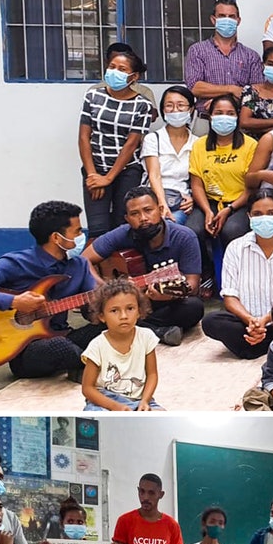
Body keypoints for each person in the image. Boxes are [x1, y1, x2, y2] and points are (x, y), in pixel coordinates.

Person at [0, 200, 99, 378]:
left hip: (63, 333)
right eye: (77, 231)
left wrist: (111, 303)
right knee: (60, 347)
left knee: (121, 327)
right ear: (56, 238)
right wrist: (14, 301)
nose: (81, 235)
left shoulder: (79, 265)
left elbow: (97, 303)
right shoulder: (16, 263)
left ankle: (83, 365)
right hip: (28, 351)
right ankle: (91, 365)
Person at [201, 190, 273, 359]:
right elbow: (230, 297)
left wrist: (266, 320)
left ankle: (254, 347)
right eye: (257, 214)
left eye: (271, 213)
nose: (264, 218)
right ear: (249, 217)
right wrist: (251, 321)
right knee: (211, 321)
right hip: (247, 323)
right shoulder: (236, 248)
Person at [85, 186, 205, 344]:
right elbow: (83, 259)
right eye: (135, 214)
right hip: (128, 305)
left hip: (163, 302)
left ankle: (130, 328)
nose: (143, 218)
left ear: (160, 209)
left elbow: (192, 285)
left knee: (193, 307)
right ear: (127, 218)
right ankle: (156, 331)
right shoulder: (124, 232)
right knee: (89, 305)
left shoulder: (184, 237)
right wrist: (107, 288)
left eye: (148, 210)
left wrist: (166, 295)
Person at [79, 46, 157, 237]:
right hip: (95, 168)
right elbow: (83, 136)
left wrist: (108, 178)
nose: (114, 72)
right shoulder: (93, 96)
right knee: (98, 229)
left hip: (125, 171)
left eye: (122, 69)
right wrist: (92, 176)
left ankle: (120, 267)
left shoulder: (143, 105)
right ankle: (95, 267)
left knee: (122, 226)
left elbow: (131, 144)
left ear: (134, 76)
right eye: (112, 67)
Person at [187, 94, 257, 257]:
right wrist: (207, 211)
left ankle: (236, 273)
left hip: (239, 203)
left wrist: (229, 209)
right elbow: (196, 184)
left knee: (232, 230)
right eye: (218, 113)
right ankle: (205, 271)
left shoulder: (251, 145)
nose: (224, 118)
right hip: (209, 202)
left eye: (230, 113)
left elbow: (252, 188)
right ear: (210, 117)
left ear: (237, 116)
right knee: (192, 231)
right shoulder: (199, 145)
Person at [80, 279, 161, 411]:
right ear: (102, 316)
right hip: (106, 400)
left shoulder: (146, 337)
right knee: (94, 418)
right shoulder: (97, 346)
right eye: (114, 311)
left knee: (161, 418)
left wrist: (145, 401)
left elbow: (152, 374)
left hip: (139, 399)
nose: (123, 316)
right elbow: (87, 388)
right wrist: (116, 407)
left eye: (130, 308)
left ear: (139, 311)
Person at [184, 0, 265, 119]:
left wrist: (222, 105)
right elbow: (195, 87)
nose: (227, 20)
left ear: (238, 21)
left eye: (231, 16)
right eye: (222, 16)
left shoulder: (251, 56)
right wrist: (231, 89)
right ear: (213, 19)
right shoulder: (197, 51)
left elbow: (256, 95)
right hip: (205, 119)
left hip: (239, 122)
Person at [141, 86, 200, 225]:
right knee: (164, 225)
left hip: (182, 201)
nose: (175, 110)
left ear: (191, 109)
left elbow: (197, 180)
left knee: (172, 226)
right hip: (153, 198)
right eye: (169, 105)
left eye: (181, 105)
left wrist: (193, 199)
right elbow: (154, 175)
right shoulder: (153, 139)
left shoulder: (197, 143)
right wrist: (162, 205)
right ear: (163, 110)